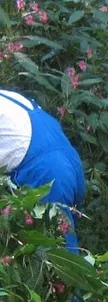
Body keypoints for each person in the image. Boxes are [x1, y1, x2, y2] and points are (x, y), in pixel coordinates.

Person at [0, 88, 85, 251]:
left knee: (55, 259)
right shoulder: (8, 97)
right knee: (64, 250)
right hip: (69, 162)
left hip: (44, 174)